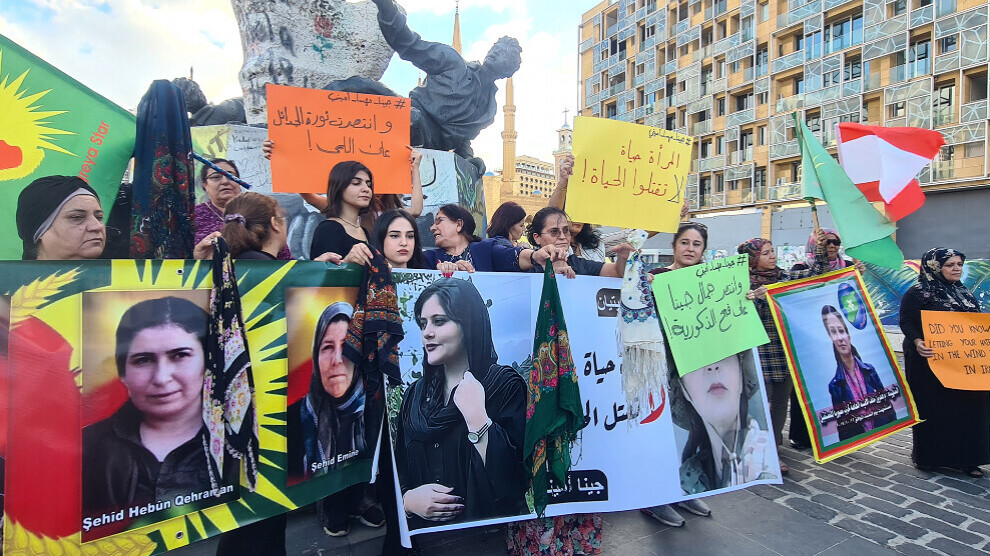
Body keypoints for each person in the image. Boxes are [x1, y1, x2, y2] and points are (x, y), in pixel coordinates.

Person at [82, 297, 237, 531]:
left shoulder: (239, 440)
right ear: (123, 373)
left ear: (209, 362)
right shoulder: (88, 446)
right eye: (143, 360)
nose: (161, 378)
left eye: (180, 355)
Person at [397, 278, 527, 529]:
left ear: (469, 325)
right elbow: (399, 466)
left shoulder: (503, 385)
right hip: (424, 538)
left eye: (439, 321)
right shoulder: (415, 396)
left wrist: (478, 420)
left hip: (489, 538)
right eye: (423, 323)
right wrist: (408, 500)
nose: (427, 332)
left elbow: (516, 480)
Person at [370, 0, 522, 174]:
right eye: (495, 47)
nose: (494, 52)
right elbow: (409, 44)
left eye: (502, 53)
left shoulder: (488, 110)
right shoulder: (452, 62)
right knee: (360, 87)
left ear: (508, 70)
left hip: (431, 151)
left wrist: (467, 158)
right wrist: (386, 7)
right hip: (408, 118)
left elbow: (461, 137)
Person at [639, 222, 714, 527]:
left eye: (697, 244)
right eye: (684, 242)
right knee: (661, 433)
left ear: (704, 249)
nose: (690, 249)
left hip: (694, 369)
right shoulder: (656, 277)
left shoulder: (710, 281)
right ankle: (654, 498)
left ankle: (682, 488)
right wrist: (643, 287)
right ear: (674, 246)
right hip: (660, 368)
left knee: (691, 430)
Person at [740, 230, 829, 475]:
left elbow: (817, 274)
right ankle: (754, 450)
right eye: (765, 253)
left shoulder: (784, 277)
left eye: (772, 251)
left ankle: (773, 450)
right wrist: (755, 299)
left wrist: (820, 248)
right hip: (758, 354)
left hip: (785, 352)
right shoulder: (741, 285)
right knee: (759, 405)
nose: (772, 256)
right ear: (752, 259)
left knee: (780, 403)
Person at [900, 248, 988, 478]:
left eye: (959, 264)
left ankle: (968, 460)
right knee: (934, 409)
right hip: (927, 362)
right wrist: (917, 341)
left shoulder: (964, 292)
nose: (956, 268)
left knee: (968, 409)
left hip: (962, 363)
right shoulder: (918, 293)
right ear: (935, 267)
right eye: (950, 265)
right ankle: (930, 458)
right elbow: (906, 321)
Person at [788, 229, 866, 449]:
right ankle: (801, 435)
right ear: (814, 246)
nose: (832, 245)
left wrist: (859, 277)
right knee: (806, 384)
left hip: (840, 335)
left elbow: (855, 299)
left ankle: (842, 430)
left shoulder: (848, 267)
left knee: (841, 382)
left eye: (836, 242)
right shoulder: (800, 269)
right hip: (810, 335)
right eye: (826, 242)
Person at [262, 140, 424, 234]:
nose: (367, 189)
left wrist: (415, 168)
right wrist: (281, 159)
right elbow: (309, 196)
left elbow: (415, 210)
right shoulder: (343, 209)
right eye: (357, 183)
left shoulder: (389, 215)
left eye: (369, 184)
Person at [670, 352, 776, 493]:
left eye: (724, 353)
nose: (712, 366)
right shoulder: (685, 480)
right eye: (693, 359)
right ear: (684, 389)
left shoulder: (768, 462)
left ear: (741, 375)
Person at [821, 305, 896, 441]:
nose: (840, 338)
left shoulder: (870, 370)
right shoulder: (835, 385)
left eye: (841, 331)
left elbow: (888, 406)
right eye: (833, 332)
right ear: (830, 338)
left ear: (848, 335)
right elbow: (843, 426)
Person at [193, 159, 293, 260]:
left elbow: (283, 255)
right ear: (204, 184)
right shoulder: (194, 216)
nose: (225, 181)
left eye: (230, 175)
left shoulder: (259, 208)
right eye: (216, 177)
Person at [424, 204, 565, 273]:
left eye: (439, 221)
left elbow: (512, 256)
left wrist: (535, 256)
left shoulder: (485, 249)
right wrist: (437, 274)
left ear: (459, 225)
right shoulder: (429, 258)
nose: (432, 228)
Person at [526, 207, 634, 278]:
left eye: (566, 230)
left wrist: (623, 257)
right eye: (554, 232)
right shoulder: (527, 267)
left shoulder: (578, 263)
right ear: (537, 237)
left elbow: (616, 271)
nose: (562, 237)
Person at [15, 175, 106, 260]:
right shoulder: (11, 273)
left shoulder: (114, 272)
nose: (97, 226)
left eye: (99, 217)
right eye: (77, 217)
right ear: (39, 231)